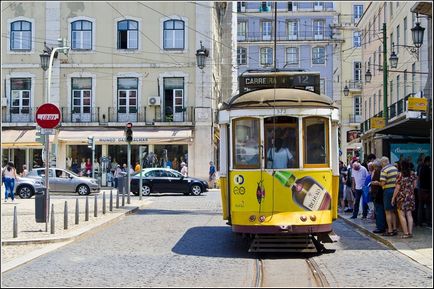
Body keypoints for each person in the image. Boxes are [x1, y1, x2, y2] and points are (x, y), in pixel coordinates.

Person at [372, 156, 399, 236]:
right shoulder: (395, 168)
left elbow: (383, 183)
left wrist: (376, 183)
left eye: (381, 163)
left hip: (387, 191)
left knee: (388, 211)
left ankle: (390, 230)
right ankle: (394, 229)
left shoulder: (384, 170)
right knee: (393, 211)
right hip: (395, 190)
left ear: (383, 162)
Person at [392, 159, 417, 238]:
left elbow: (397, 187)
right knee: (409, 214)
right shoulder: (413, 174)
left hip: (401, 196)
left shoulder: (399, 175)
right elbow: (415, 186)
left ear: (401, 166)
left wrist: (393, 198)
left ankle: (405, 233)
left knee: (401, 214)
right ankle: (410, 232)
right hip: (410, 196)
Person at [371, 159, 386, 234]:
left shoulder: (379, 172)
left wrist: (375, 183)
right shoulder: (380, 171)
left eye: (375, 167)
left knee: (379, 210)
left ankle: (380, 227)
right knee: (379, 210)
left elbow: (381, 183)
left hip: (378, 193)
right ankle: (381, 226)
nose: (374, 168)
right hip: (379, 193)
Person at [417, 156, 431, 227]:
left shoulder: (420, 167)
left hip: (420, 189)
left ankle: (420, 222)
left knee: (420, 206)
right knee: (428, 206)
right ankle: (429, 221)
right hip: (427, 190)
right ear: (428, 161)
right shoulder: (428, 169)